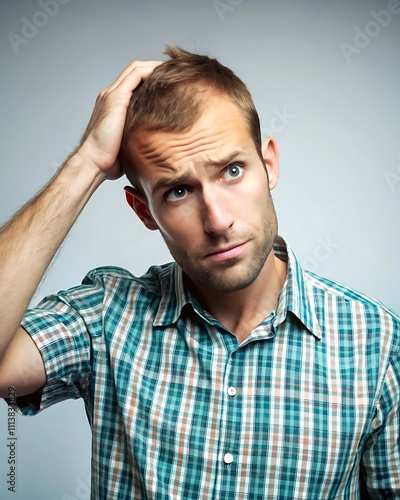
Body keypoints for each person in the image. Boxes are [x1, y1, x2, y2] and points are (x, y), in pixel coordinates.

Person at [0, 46, 398, 499]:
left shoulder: (377, 342)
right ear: (143, 210)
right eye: (178, 191)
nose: (217, 220)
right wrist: (86, 162)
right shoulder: (106, 316)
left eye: (232, 170)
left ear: (268, 165)